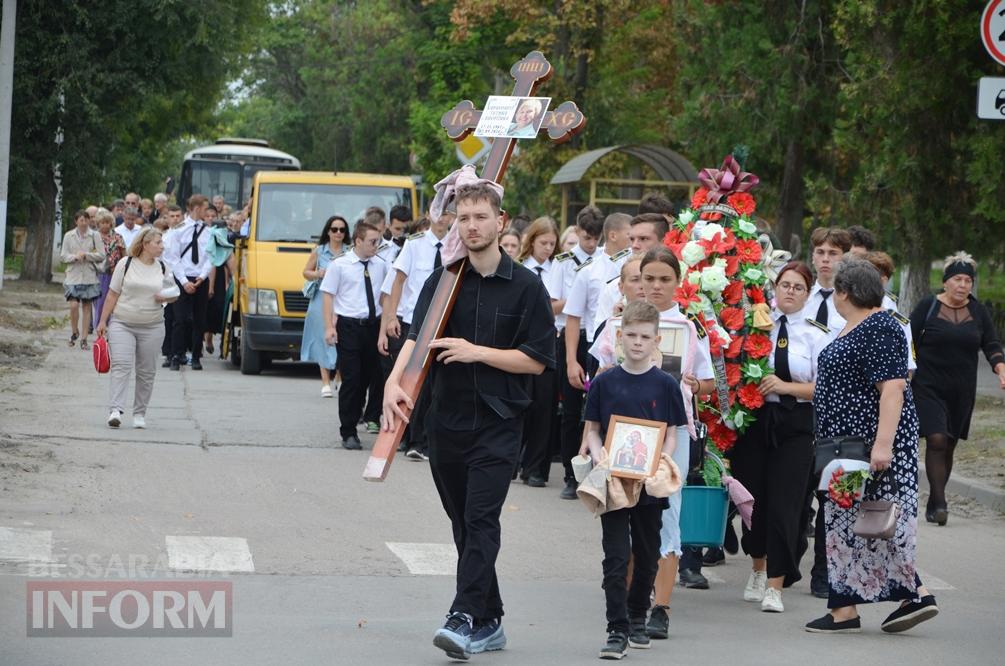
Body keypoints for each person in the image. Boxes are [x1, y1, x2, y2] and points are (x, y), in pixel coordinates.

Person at [381, 182, 555, 660]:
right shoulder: (444, 280)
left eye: (481, 217)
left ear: (502, 222)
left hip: (500, 423)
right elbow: (417, 341)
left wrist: (477, 352)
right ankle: (491, 617)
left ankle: (461, 616)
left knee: (482, 519)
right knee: (463, 524)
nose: (472, 225)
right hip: (447, 421)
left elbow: (538, 360)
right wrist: (393, 384)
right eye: (464, 218)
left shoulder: (527, 287)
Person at [806, 258, 938, 634]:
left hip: (867, 450)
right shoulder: (857, 325)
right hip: (843, 449)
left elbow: (893, 388)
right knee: (845, 521)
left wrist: (883, 447)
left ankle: (915, 593)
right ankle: (844, 608)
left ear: (844, 292)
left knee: (878, 521)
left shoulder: (880, 325)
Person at [592, 246, 715, 636]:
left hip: (668, 432)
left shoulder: (688, 327)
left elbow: (709, 383)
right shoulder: (619, 324)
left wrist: (693, 384)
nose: (656, 286)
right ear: (637, 281)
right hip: (622, 433)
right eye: (649, 279)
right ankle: (630, 602)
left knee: (665, 516)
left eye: (665, 279)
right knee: (624, 511)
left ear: (678, 283)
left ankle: (660, 604)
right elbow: (600, 381)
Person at [579, 300, 686, 659]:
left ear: (657, 340)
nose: (638, 342)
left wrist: (662, 458)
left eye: (645, 336)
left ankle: (638, 616)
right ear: (619, 336)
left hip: (649, 482)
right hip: (613, 480)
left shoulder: (666, 385)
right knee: (615, 555)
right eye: (631, 335)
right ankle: (617, 628)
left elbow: (670, 432)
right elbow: (593, 430)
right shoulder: (605, 382)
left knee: (646, 552)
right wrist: (600, 454)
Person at [727, 261, 831, 613]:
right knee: (753, 499)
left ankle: (776, 583)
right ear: (775, 287)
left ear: (808, 292)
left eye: (798, 287)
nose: (789, 291)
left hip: (795, 423)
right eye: (784, 285)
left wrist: (788, 387)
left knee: (786, 504)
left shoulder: (816, 333)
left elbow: (826, 388)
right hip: (756, 419)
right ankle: (757, 566)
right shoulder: (757, 324)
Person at [910, 252, 1005, 525]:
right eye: (958, 279)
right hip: (928, 385)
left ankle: (934, 498)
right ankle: (940, 503)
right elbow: (908, 341)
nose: (963, 285)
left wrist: (1000, 369)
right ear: (946, 282)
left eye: (968, 280)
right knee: (937, 438)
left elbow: (992, 345)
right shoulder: (927, 306)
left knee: (949, 443)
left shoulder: (978, 311)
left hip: (962, 389)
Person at [800, 225, 852, 597]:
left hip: (837, 409)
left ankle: (823, 571)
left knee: (829, 492)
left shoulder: (853, 300)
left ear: (845, 258)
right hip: (800, 407)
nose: (825, 259)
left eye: (833, 253)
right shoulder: (799, 294)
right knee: (799, 491)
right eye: (820, 252)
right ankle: (790, 556)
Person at [378, 209, 455, 460]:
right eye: (439, 213)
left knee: (435, 385)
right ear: (429, 215)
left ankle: (423, 439)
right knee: (409, 381)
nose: (443, 218)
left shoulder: (457, 245)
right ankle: (407, 437)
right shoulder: (414, 245)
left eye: (448, 214)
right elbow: (398, 281)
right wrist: (391, 317)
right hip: (414, 320)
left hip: (443, 324)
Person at [95, 228, 177, 429]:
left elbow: (174, 293)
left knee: (146, 371)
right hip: (123, 323)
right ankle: (115, 410)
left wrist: (166, 296)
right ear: (145, 243)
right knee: (122, 366)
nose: (162, 246)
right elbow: (112, 294)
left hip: (153, 326)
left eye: (162, 243)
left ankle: (140, 413)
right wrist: (103, 321)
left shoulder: (163, 267)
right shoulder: (126, 263)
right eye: (158, 242)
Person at [550, 206, 605, 500]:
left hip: (598, 338)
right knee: (571, 408)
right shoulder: (563, 262)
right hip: (571, 337)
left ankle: (594, 471)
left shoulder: (607, 262)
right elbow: (554, 304)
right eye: (586, 238)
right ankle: (571, 475)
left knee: (595, 410)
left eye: (596, 239)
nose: (591, 244)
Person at [322, 221, 387, 449]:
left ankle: (365, 414)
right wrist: (329, 327)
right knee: (352, 378)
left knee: (371, 376)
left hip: (374, 326)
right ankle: (348, 431)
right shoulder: (340, 265)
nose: (375, 246)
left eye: (377, 241)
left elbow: (386, 296)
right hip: (349, 326)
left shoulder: (381, 264)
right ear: (358, 241)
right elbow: (328, 295)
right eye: (371, 242)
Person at [515, 216, 560, 486]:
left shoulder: (560, 269)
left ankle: (534, 468)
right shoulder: (520, 268)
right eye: (543, 243)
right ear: (531, 241)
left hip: (549, 342)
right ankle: (511, 461)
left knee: (544, 407)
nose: (548, 249)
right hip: (521, 342)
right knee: (520, 404)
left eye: (552, 244)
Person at [163, 195, 212, 371]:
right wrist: (184, 282)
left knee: (199, 319)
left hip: (200, 278)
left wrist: (203, 276)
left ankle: (196, 356)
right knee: (180, 319)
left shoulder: (208, 231)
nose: (207, 212)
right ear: (197, 208)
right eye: (205, 209)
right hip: (182, 277)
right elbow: (173, 257)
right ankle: (177, 354)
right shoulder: (179, 229)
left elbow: (210, 256)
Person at [302, 216, 346, 397]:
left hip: (343, 299)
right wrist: (319, 273)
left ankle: (340, 377)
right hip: (320, 299)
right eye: (334, 229)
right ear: (328, 231)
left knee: (343, 339)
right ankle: (325, 382)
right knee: (322, 339)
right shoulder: (319, 251)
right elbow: (305, 272)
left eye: (342, 230)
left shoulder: (349, 252)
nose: (338, 233)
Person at [61, 210, 106, 350]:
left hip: (89, 276)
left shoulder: (95, 235)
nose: (84, 222)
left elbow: (101, 255)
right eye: (81, 220)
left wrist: (86, 255)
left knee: (87, 307)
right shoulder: (69, 235)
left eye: (86, 220)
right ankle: (75, 331)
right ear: (76, 221)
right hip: (73, 276)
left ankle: (84, 338)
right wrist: (74, 257)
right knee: (74, 305)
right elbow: (63, 256)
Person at [93, 209, 127, 326]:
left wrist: (122, 268)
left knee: (111, 297)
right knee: (98, 299)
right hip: (97, 272)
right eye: (102, 222)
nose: (105, 225)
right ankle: (98, 323)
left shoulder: (117, 237)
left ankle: (109, 322)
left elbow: (123, 253)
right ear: (98, 223)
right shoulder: (94, 236)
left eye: (107, 222)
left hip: (114, 272)